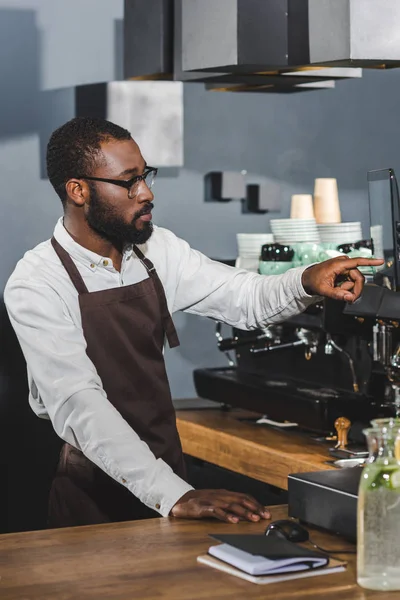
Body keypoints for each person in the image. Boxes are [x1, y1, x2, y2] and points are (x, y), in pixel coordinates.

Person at [4, 117, 383, 529]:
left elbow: (245, 298)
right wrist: (173, 495)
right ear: (78, 190)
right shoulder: (36, 282)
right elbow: (81, 406)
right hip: (95, 497)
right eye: (128, 182)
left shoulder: (155, 251)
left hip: (171, 476)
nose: (146, 193)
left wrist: (307, 280)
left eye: (145, 175)